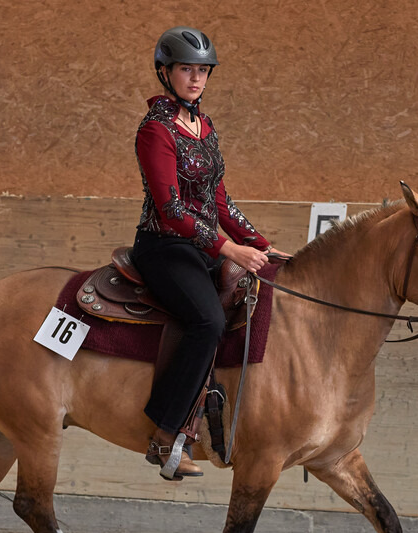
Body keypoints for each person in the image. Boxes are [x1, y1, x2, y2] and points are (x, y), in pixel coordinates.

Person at [132, 26, 284, 480]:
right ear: (166, 73)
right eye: (186, 70)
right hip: (164, 246)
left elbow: (219, 201)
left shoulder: (204, 126)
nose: (196, 79)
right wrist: (229, 247)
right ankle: (165, 436)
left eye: (202, 71)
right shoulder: (155, 130)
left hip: (201, 247)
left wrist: (260, 243)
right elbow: (173, 210)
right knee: (208, 321)